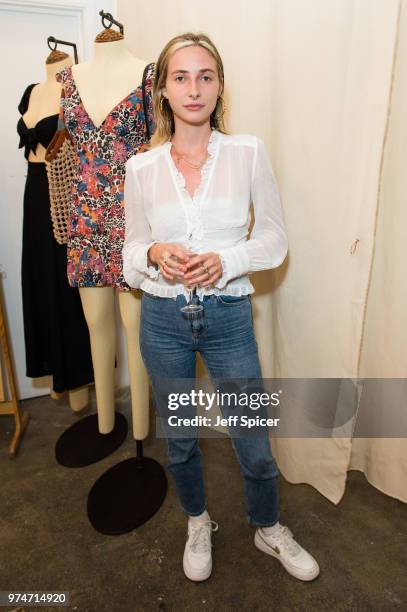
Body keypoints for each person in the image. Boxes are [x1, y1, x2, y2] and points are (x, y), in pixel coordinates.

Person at [123, 32, 320, 583]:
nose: (194, 88)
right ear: (163, 89)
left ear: (219, 86)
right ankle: (196, 519)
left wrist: (227, 259)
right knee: (181, 439)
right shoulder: (141, 169)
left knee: (252, 437)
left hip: (229, 318)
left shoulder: (247, 152)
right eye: (181, 77)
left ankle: (267, 526)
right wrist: (155, 253)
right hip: (163, 321)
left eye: (205, 76)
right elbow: (129, 256)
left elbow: (275, 240)